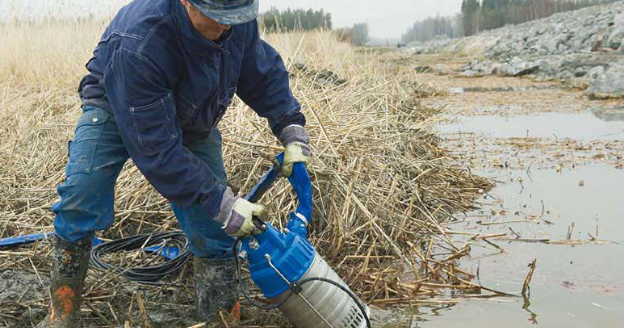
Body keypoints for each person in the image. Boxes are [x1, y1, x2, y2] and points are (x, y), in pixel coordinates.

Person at [39, 0, 311, 326]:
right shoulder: (141, 41)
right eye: (216, 17)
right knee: (81, 196)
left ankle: (219, 318)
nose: (226, 26)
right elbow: (158, 150)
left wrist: (291, 129)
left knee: (216, 226)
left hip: (194, 114)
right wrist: (221, 202)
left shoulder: (237, 22)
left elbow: (262, 74)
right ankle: (62, 315)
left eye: (234, 18)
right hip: (116, 104)